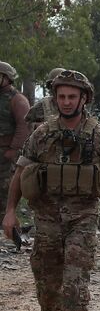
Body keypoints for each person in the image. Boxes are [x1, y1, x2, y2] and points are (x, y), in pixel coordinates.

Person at [2, 70, 100, 311]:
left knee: (75, 283)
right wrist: (10, 212)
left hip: (83, 218)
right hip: (47, 219)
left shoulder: (98, 135)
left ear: (83, 99)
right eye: (61, 96)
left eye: (72, 96)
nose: (67, 102)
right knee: (48, 289)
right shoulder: (42, 134)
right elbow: (19, 172)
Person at [0, 61, 31, 211]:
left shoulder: (17, 100)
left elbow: (24, 126)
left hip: (6, 154)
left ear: (6, 78)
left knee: (4, 193)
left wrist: (12, 151)